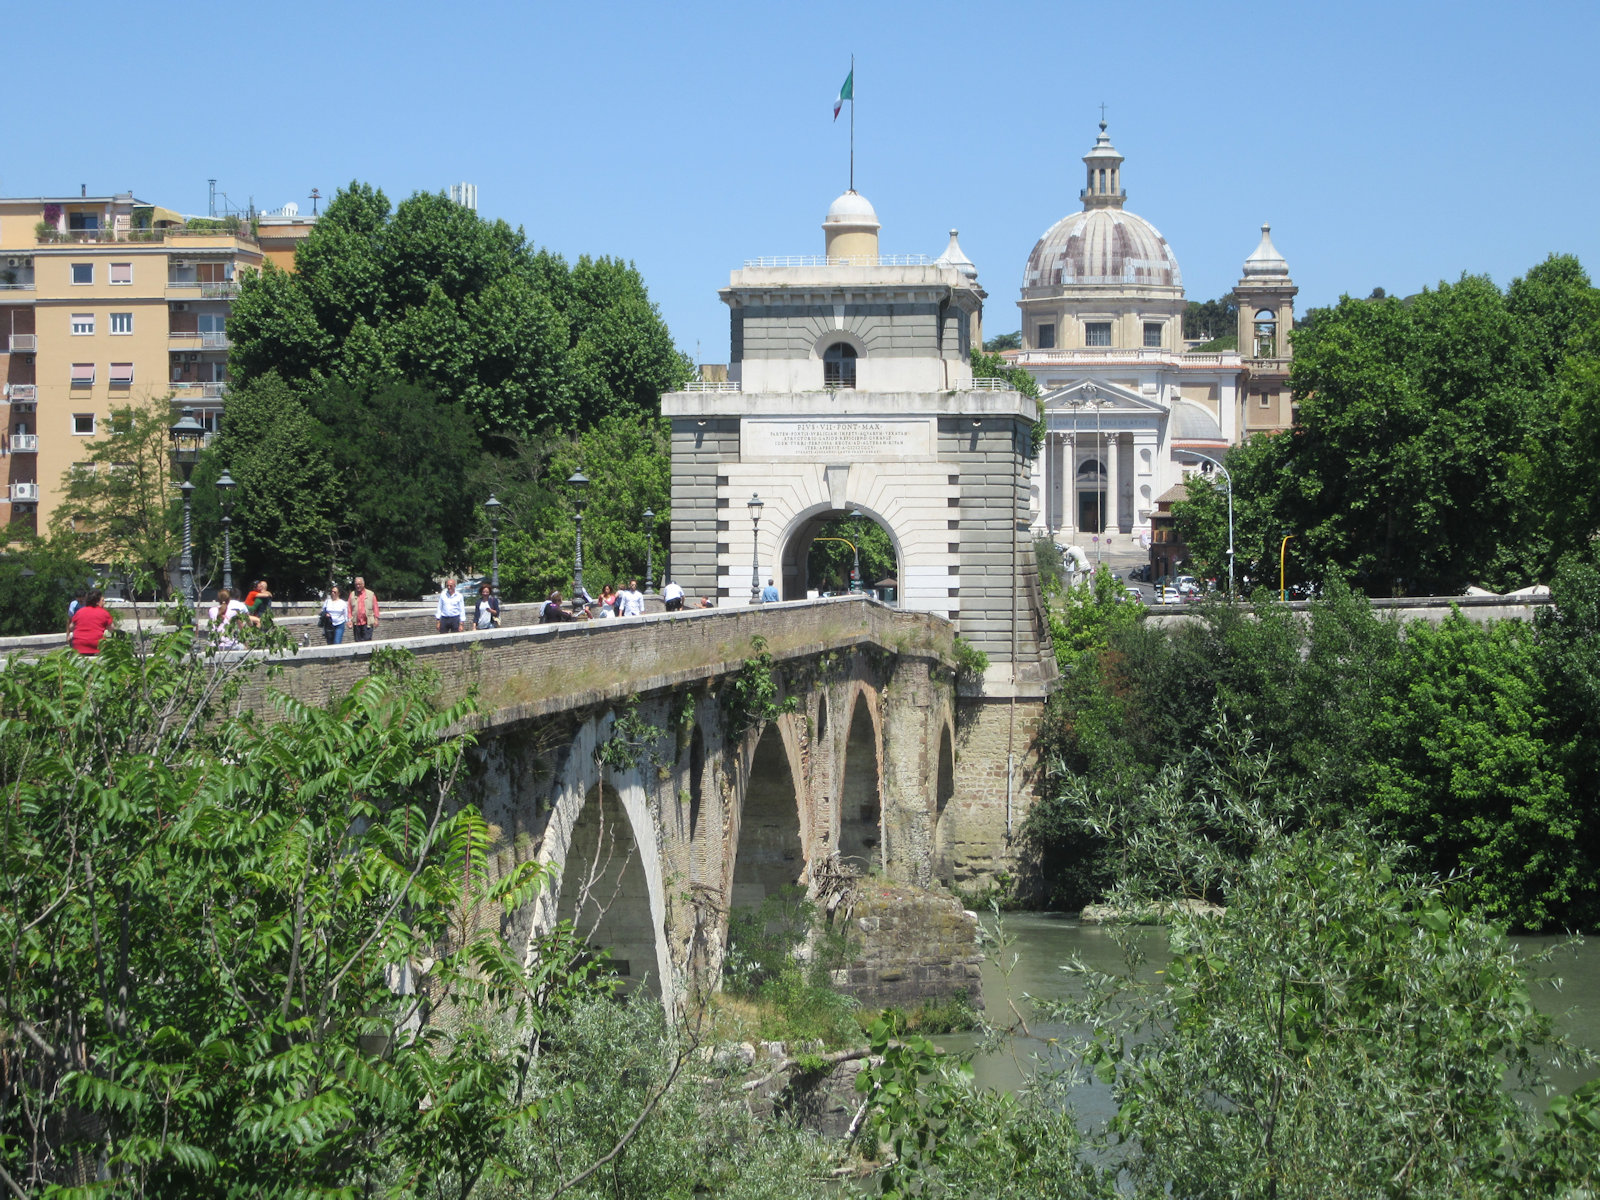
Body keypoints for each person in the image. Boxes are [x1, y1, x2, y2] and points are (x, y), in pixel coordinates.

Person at [68, 589, 115, 656]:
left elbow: (71, 627)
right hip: (97, 647)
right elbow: (112, 628)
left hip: (79, 648)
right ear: (97, 602)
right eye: (102, 600)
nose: (104, 603)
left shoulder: (79, 612)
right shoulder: (104, 613)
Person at [348, 576, 380, 641]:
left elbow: (375, 607)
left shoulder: (370, 594)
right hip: (357, 623)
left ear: (363, 584)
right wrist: (349, 620)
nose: (358, 586)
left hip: (367, 622)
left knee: (367, 640)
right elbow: (349, 608)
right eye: (356, 584)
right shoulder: (352, 594)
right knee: (358, 642)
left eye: (359, 584)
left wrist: (376, 619)